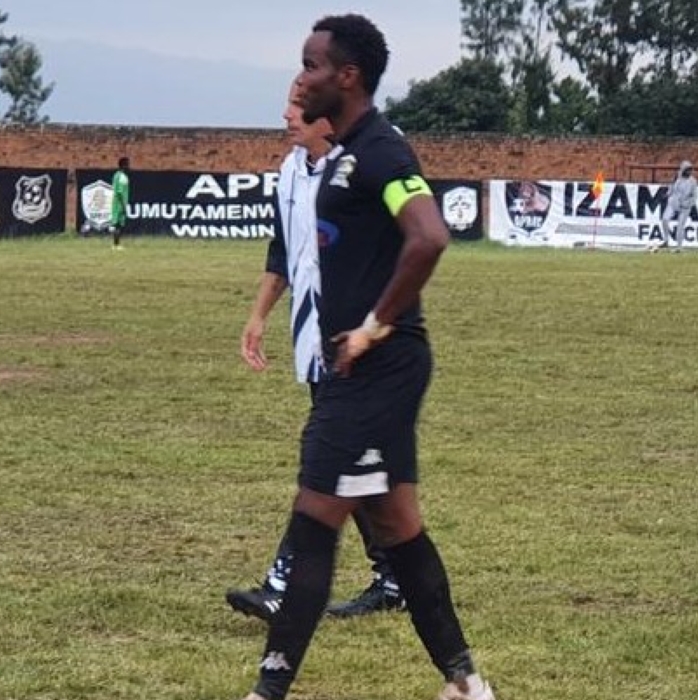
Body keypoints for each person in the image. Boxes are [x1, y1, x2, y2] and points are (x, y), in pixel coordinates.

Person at [238, 14, 494, 700]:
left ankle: (267, 692)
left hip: (376, 368)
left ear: (347, 77)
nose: (300, 78)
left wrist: (374, 326)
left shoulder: (381, 152)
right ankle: (466, 684)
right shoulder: (342, 156)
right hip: (362, 367)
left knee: (314, 517)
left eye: (312, 65)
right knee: (396, 524)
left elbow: (430, 237)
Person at [225, 81, 405, 624]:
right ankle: (396, 577)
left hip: (363, 341)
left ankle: (284, 584)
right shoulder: (289, 171)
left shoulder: (372, 163)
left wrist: (377, 326)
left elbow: (411, 243)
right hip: (314, 339)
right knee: (358, 467)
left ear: (329, 116)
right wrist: (258, 316)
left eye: (296, 108)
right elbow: (283, 250)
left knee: (325, 460)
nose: (284, 115)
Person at [658, 160, 697, 251]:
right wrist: (667, 194)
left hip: (685, 206)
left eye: (690, 170)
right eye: (687, 170)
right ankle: (666, 240)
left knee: (680, 225)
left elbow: (694, 196)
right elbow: (672, 187)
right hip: (673, 202)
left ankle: (679, 246)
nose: (689, 172)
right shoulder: (677, 176)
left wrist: (687, 203)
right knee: (665, 219)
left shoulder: (693, 181)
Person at [110, 157, 130, 250]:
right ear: (123, 165)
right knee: (118, 225)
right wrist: (123, 205)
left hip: (115, 202)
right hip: (119, 203)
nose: (129, 166)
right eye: (127, 164)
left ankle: (115, 244)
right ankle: (117, 245)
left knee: (116, 224)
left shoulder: (116, 175)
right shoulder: (122, 177)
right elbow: (120, 192)